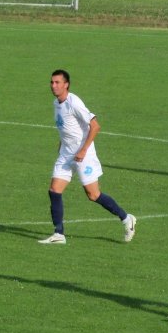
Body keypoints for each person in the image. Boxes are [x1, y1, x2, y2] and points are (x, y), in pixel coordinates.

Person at [39, 70, 136, 244]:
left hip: (84, 154)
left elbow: (95, 126)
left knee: (93, 195)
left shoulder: (73, 102)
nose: (53, 86)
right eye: (52, 82)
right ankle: (59, 234)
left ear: (66, 84)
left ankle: (126, 218)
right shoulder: (56, 103)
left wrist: (83, 150)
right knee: (54, 190)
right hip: (66, 154)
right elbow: (66, 127)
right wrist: (62, 144)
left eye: (57, 82)